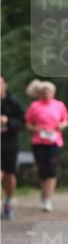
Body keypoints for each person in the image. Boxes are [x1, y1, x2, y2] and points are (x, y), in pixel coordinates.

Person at [24, 80, 68, 212]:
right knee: (42, 169)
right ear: (41, 93)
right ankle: (44, 193)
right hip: (39, 142)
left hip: (54, 142)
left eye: (50, 91)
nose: (47, 93)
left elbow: (65, 120)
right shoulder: (35, 106)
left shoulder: (59, 105)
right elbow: (28, 123)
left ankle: (48, 198)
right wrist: (35, 128)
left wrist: (61, 126)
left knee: (52, 169)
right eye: (45, 91)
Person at [1, 75, 24, 220]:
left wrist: (8, 121)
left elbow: (22, 122)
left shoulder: (14, 102)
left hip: (10, 142)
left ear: (5, 85)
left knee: (10, 175)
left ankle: (8, 203)